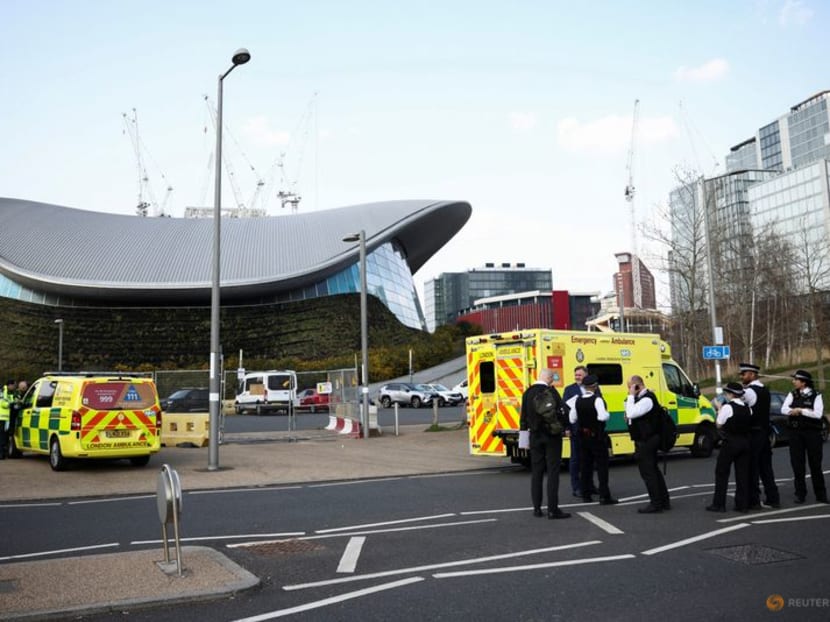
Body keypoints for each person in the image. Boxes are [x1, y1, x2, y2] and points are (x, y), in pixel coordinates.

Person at [519, 368, 570, 519]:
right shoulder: (551, 392)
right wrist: (565, 428)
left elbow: (523, 417)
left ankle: (536, 508)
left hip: (535, 437)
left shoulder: (527, 393)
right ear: (549, 379)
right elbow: (562, 411)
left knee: (537, 472)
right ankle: (553, 509)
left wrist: (524, 439)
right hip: (552, 436)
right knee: (553, 471)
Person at [567, 374, 618, 505]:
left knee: (585, 466)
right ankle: (604, 496)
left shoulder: (577, 401)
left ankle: (586, 494)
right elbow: (602, 417)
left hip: (583, 437)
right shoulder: (597, 400)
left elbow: (572, 419)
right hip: (597, 437)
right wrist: (607, 414)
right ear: (595, 386)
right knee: (602, 466)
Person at [625, 375, 670, 513]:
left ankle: (656, 503)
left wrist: (631, 396)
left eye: (630, 387)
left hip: (648, 440)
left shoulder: (647, 400)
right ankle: (663, 500)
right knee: (653, 470)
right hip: (646, 439)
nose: (629, 390)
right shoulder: (643, 399)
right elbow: (630, 416)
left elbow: (631, 413)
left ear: (637, 386)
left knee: (648, 472)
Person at [781, 370, 827, 504]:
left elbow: (817, 414)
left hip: (812, 433)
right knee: (797, 465)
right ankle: (800, 494)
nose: (793, 382)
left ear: (803, 382)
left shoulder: (816, 395)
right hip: (795, 433)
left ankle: (821, 494)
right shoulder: (792, 394)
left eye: (796, 380)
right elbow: (784, 409)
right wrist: (793, 411)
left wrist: (801, 410)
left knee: (815, 464)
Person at [739, 363, 780, 509]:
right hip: (765, 432)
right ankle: (773, 498)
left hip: (754, 433)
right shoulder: (764, 390)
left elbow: (741, 408)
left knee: (752, 468)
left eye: (743, 374)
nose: (741, 377)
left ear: (752, 374)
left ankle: (754, 500)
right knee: (766, 468)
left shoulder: (749, 392)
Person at [707, 382, 753, 513]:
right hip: (745, 442)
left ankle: (719, 504)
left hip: (731, 442)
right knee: (742, 474)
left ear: (731, 394)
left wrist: (720, 408)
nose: (726, 395)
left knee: (722, 473)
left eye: (727, 393)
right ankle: (742, 504)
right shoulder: (748, 408)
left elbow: (719, 424)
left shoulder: (728, 407)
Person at [563, 365, 598, 499]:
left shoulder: (594, 388)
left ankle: (590, 485)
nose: (577, 377)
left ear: (586, 376)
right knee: (575, 460)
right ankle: (576, 487)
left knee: (590, 460)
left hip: (590, 430)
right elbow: (565, 410)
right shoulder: (569, 390)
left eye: (580, 375)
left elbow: (600, 402)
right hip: (576, 430)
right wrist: (566, 428)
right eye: (576, 374)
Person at [0, 379, 13, 459]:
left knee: (5, 436)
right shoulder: (3, 391)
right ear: (9, 385)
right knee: (2, 436)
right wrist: (10, 404)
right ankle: (1, 454)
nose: (14, 387)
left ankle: (3, 453)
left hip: (6, 418)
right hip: (2, 418)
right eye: (13, 385)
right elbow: (2, 403)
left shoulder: (8, 392)